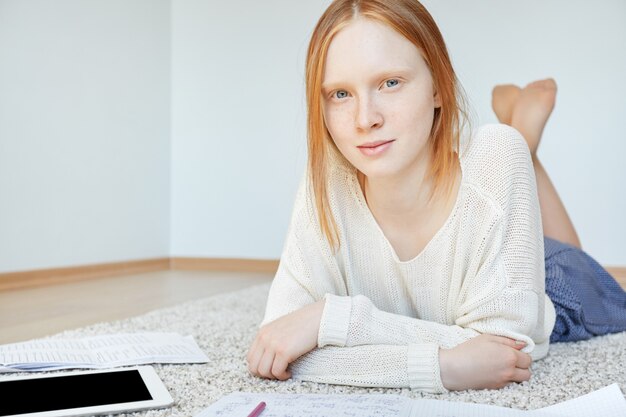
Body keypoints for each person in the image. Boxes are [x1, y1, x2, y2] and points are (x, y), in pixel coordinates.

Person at [246, 0, 626, 393]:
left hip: (538, 277)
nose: (365, 120)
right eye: (340, 94)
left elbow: (505, 353)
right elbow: (278, 347)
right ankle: (524, 143)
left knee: (574, 269)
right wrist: (442, 365)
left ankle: (524, 146)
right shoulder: (326, 183)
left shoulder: (497, 154)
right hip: (478, 252)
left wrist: (332, 320)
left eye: (390, 83)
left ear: (439, 88)